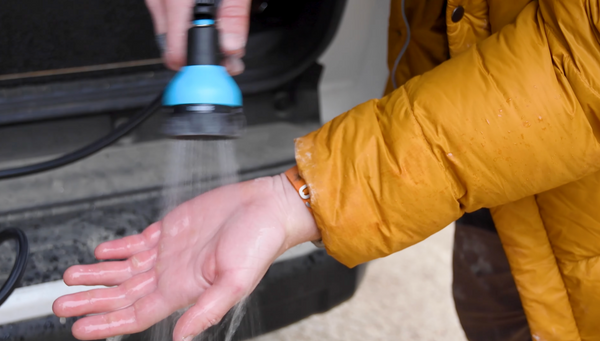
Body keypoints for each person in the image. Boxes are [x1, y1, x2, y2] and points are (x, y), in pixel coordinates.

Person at [53, 0, 600, 340]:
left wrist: (306, 195)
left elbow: (584, 59)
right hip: (492, 162)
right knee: (496, 308)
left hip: (569, 186)